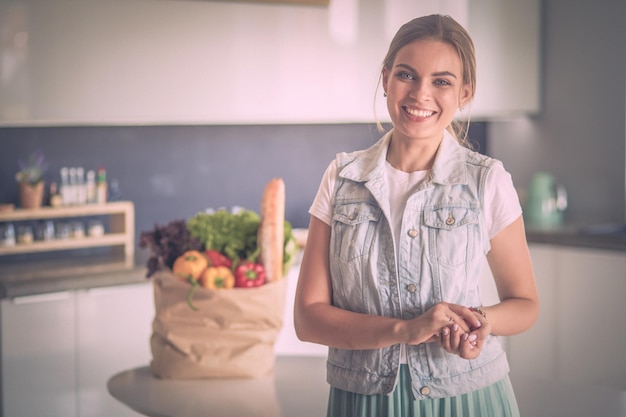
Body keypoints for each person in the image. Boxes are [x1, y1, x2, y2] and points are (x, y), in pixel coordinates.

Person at [294, 14, 539, 417]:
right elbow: (308, 319)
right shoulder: (341, 178)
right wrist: (404, 331)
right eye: (407, 75)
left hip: (468, 398)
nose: (420, 94)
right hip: (363, 402)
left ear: (464, 92)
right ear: (387, 78)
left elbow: (525, 303)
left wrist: (477, 322)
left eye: (441, 81)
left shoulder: (487, 181)